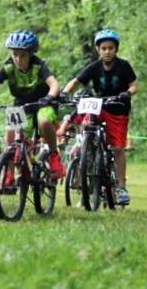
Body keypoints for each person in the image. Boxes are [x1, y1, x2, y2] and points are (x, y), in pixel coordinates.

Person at [58, 30, 137, 204]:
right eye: (103, 48)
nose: (107, 51)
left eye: (110, 48)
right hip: (99, 106)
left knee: (117, 148)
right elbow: (75, 81)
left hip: (118, 109)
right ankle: (89, 147)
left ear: (116, 49)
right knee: (86, 121)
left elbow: (133, 86)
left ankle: (122, 187)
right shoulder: (94, 67)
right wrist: (64, 92)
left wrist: (126, 94)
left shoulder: (123, 66)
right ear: (98, 50)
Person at [0, 30, 65, 180]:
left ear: (31, 54)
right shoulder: (8, 67)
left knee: (44, 121)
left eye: (23, 55)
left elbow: (54, 84)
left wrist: (50, 97)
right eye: (15, 54)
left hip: (43, 102)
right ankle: (9, 175)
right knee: (10, 133)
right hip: (22, 105)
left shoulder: (39, 66)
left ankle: (54, 156)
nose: (18, 59)